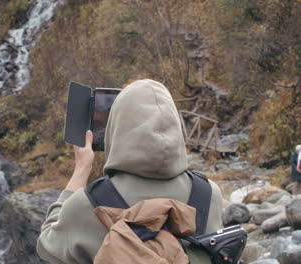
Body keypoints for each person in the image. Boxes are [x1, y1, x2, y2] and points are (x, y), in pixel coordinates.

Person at [37, 79, 223, 263]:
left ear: (115, 129)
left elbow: (47, 246)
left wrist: (82, 169)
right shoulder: (210, 194)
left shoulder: (87, 205)